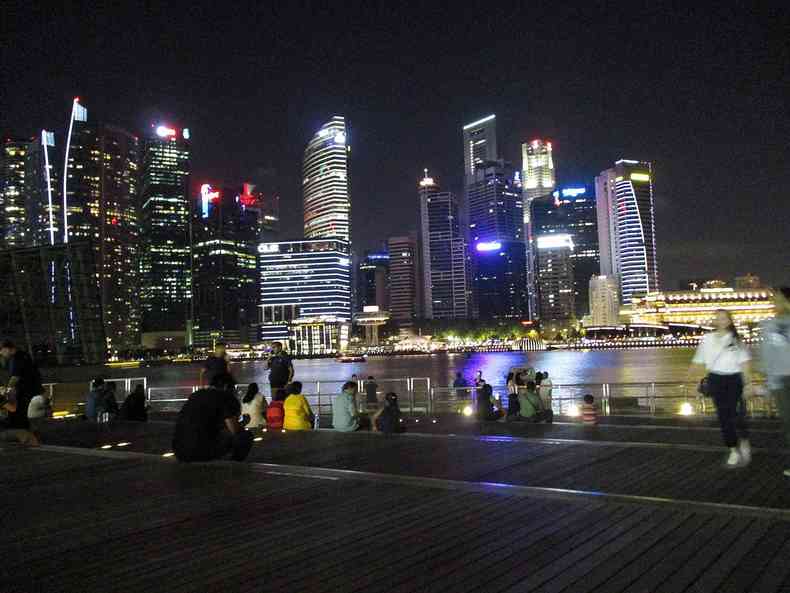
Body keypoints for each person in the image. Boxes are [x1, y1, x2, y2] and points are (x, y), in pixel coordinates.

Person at [688, 309, 752, 468]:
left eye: (724, 318)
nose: (721, 321)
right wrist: (690, 381)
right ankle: (732, 449)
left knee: (736, 415)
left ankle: (743, 439)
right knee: (723, 416)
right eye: (718, 318)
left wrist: (748, 384)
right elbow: (697, 361)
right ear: (714, 321)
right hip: (716, 379)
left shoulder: (736, 339)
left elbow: (745, 363)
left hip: (735, 379)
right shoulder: (707, 339)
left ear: (729, 321)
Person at [172, 372, 252, 462]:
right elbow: (234, 430)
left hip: (179, 450)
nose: (234, 391)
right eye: (234, 387)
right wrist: (244, 422)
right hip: (199, 452)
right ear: (226, 386)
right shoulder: (226, 397)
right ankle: (234, 465)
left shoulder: (196, 395)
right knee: (245, 436)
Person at [759, 287, 790, 477]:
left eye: (779, 300)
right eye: (773, 300)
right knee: (788, 423)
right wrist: (770, 384)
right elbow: (767, 356)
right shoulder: (768, 326)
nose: (775, 304)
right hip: (780, 380)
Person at [0, 340, 41, 445]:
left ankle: (25, 434)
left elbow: (15, 377)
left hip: (25, 390)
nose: (2, 354)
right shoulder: (23, 356)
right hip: (30, 389)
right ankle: (28, 433)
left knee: (19, 412)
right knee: (21, 413)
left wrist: (8, 389)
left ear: (7, 348)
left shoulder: (17, 358)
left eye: (2, 351)